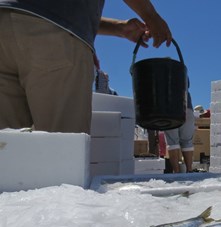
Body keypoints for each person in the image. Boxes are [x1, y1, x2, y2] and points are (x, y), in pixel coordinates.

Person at [0, 0, 172, 134]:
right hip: (53, 37)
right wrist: (151, 16)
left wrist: (119, 28)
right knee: (63, 149)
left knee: (8, 150)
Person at [164, 91, 195, 173]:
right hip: (187, 108)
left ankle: (177, 172)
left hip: (169, 107)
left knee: (173, 142)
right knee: (187, 141)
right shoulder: (183, 77)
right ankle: (189, 170)